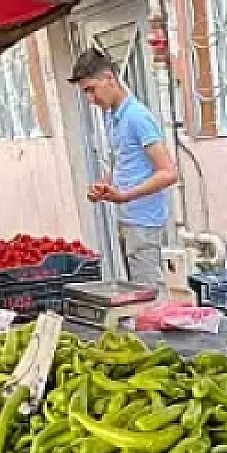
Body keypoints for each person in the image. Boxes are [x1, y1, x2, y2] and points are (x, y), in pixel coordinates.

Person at [68, 49, 178, 287]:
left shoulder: (137, 117)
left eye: (91, 89)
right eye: (85, 92)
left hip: (144, 220)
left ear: (109, 78)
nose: (90, 99)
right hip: (127, 218)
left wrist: (125, 196)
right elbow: (123, 161)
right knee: (136, 290)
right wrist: (104, 184)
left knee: (149, 294)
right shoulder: (112, 116)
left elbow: (168, 172)